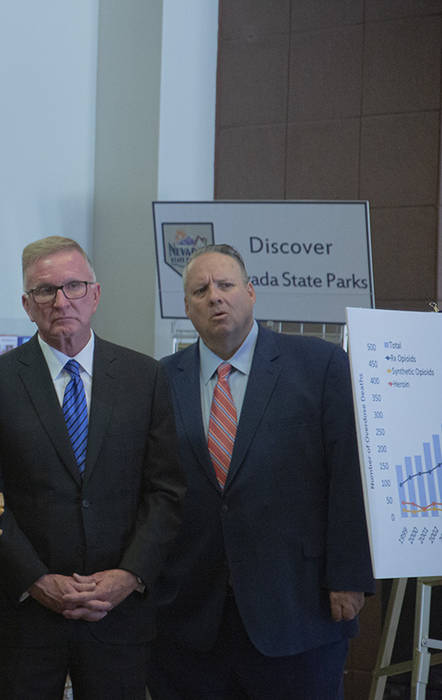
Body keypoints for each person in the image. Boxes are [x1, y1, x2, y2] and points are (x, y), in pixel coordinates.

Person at [147, 243, 374, 699]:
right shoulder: (158, 380)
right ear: (187, 308)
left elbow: (348, 477)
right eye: (200, 290)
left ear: (251, 293)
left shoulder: (319, 365)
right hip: (190, 616)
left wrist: (349, 577)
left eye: (226, 285)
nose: (215, 296)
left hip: (297, 608)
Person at [0, 235, 184, 700]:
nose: (61, 301)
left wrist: (129, 576)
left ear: (96, 294)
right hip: (26, 616)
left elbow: (166, 491)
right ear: (27, 305)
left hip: (120, 614)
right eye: (45, 291)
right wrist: (34, 580)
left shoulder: (144, 377)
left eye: (74, 286)